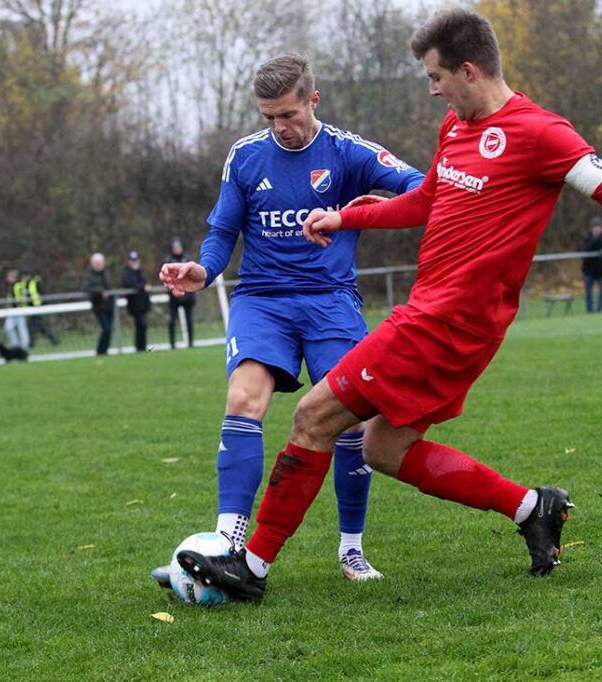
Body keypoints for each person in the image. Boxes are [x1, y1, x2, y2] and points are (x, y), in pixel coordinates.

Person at [176, 9, 602, 602]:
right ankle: (531, 507)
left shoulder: (541, 132)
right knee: (383, 448)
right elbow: (425, 200)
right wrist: (347, 215)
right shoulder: (457, 126)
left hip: (445, 324)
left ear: (468, 71)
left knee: (312, 417)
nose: (432, 89)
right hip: (434, 315)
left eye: (435, 76)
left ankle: (254, 566)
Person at [157, 53, 424, 585]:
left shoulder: (348, 151)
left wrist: (364, 208)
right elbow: (223, 233)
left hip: (330, 300)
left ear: (312, 100)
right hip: (262, 300)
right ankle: (227, 543)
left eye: (288, 114)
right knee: (242, 399)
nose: (280, 127)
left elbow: (421, 187)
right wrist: (203, 270)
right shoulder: (246, 157)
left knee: (347, 422)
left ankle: (351, 550)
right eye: (269, 117)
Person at [163, 238, 196, 349]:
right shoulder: (169, 261)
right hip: (174, 296)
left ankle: (191, 343)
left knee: (189, 321)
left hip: (188, 295)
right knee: (172, 321)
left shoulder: (187, 259)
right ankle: (172, 344)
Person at [581, 216, 602, 313]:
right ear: (592, 228)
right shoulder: (587, 237)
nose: (598, 229)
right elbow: (587, 248)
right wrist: (595, 240)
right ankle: (589, 310)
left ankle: (600, 309)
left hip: (601, 270)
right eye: (596, 227)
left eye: (599, 227)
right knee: (588, 291)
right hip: (588, 270)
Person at [82, 253, 113, 356]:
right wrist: (100, 293)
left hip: (109, 306)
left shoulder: (106, 273)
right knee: (106, 329)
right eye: (96, 263)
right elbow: (86, 289)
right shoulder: (90, 275)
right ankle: (100, 351)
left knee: (109, 330)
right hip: (98, 306)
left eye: (100, 262)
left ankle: (105, 351)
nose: (99, 264)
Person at [122, 251, 152, 352]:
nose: (134, 262)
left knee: (142, 326)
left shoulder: (140, 272)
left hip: (143, 303)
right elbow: (130, 284)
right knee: (141, 324)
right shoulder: (127, 273)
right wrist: (143, 287)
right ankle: (139, 347)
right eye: (132, 260)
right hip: (134, 304)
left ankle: (142, 347)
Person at [23, 268, 60, 347]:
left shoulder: (35, 283)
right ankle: (54, 340)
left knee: (32, 326)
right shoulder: (25, 284)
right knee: (41, 327)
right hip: (31, 309)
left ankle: (31, 344)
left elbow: (42, 294)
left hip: (38, 308)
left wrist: (44, 305)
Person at [3, 268, 30, 355]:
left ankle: (24, 347)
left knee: (22, 329)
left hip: (18, 310)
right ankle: (16, 345)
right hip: (11, 311)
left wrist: (19, 306)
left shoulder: (17, 286)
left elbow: (19, 298)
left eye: (8, 277)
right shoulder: (11, 286)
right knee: (8, 328)